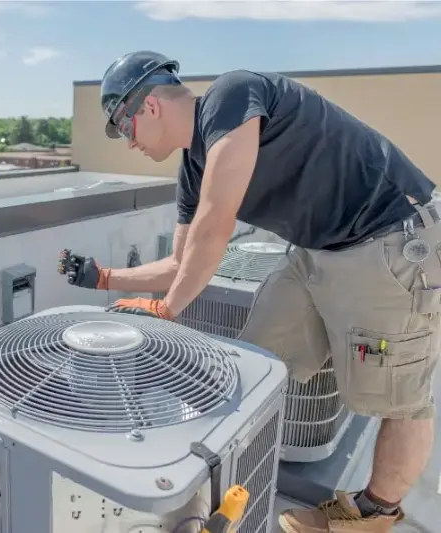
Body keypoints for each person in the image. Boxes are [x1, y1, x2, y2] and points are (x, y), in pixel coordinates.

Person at [61, 50, 439, 533]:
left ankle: (372, 513)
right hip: (316, 248)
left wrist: (168, 307)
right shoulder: (192, 169)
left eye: (122, 127)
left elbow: (215, 225)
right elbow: (182, 261)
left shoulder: (232, 94)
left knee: (398, 397)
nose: (126, 143)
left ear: (149, 107)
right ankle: (225, 477)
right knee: (256, 360)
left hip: (390, 236)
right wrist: (103, 278)